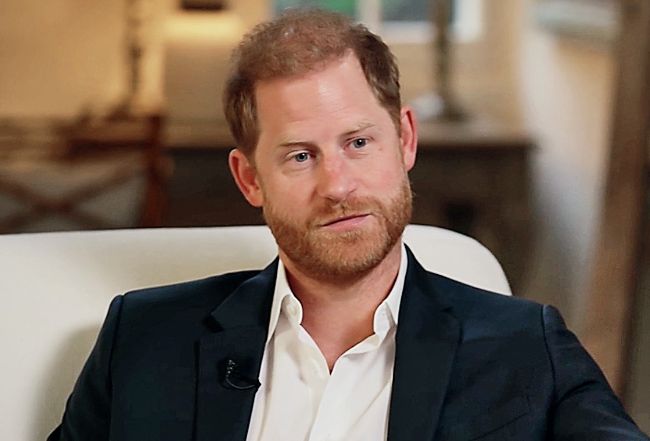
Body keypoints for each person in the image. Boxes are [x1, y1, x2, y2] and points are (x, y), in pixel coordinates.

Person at [48, 9, 648, 441]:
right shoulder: (143, 337)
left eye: (359, 142)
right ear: (249, 178)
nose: (337, 185)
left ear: (405, 139)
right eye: (299, 155)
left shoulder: (526, 345)